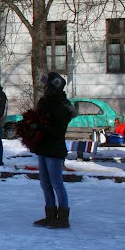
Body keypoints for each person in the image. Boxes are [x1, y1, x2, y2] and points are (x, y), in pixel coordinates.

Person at [31, 72, 76, 228]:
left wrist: (41, 127)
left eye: (47, 85)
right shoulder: (44, 102)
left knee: (57, 183)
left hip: (54, 148)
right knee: (45, 183)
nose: (44, 88)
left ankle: (63, 218)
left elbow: (58, 130)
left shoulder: (61, 105)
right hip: (43, 146)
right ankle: (50, 215)